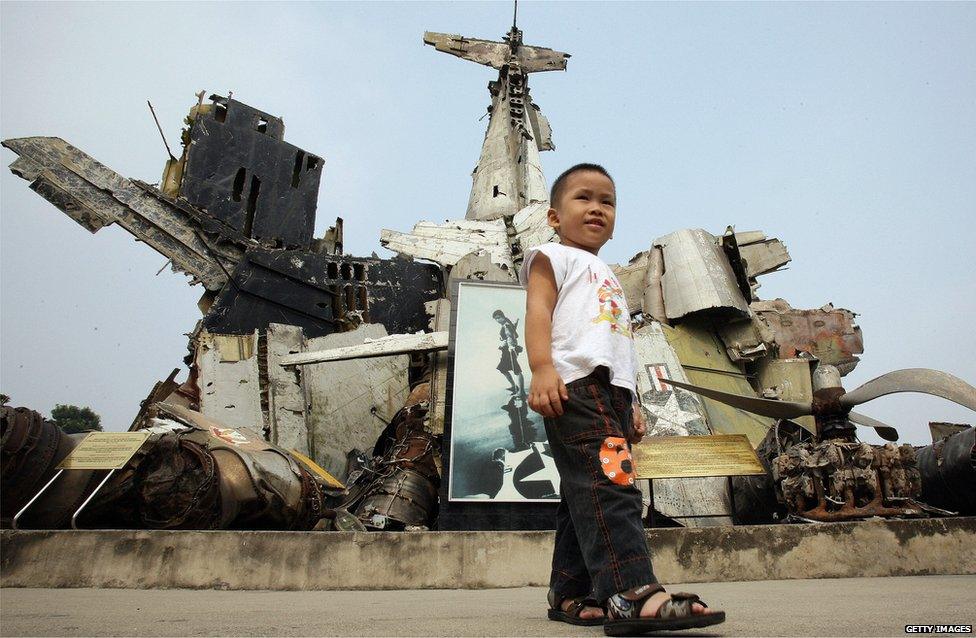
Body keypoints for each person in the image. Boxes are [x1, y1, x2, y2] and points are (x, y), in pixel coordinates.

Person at [520, 163, 726, 636]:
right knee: (612, 486)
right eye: (584, 198)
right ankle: (632, 590)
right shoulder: (553, 256)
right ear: (553, 216)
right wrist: (542, 368)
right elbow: (537, 312)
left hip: (607, 392)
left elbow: (615, 348)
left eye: (607, 202)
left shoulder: (603, 273)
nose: (597, 208)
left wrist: (629, 402)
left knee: (583, 492)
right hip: (576, 385)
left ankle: (571, 592)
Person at [492, 309, 525, 396]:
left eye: (498, 318)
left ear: (503, 316)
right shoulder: (507, 324)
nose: (497, 320)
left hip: (510, 350)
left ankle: (521, 392)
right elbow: (513, 330)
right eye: (496, 319)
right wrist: (503, 345)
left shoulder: (506, 326)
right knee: (503, 369)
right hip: (506, 350)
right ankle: (514, 386)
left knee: (516, 370)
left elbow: (510, 337)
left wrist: (511, 347)